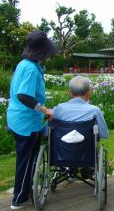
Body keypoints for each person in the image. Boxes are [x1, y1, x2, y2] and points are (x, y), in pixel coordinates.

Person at [7, 30, 58, 210]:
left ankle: (26, 190)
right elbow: (24, 96)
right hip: (25, 122)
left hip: (19, 117)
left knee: (27, 159)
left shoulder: (25, 64)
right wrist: (45, 109)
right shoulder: (30, 69)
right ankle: (19, 198)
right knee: (26, 161)